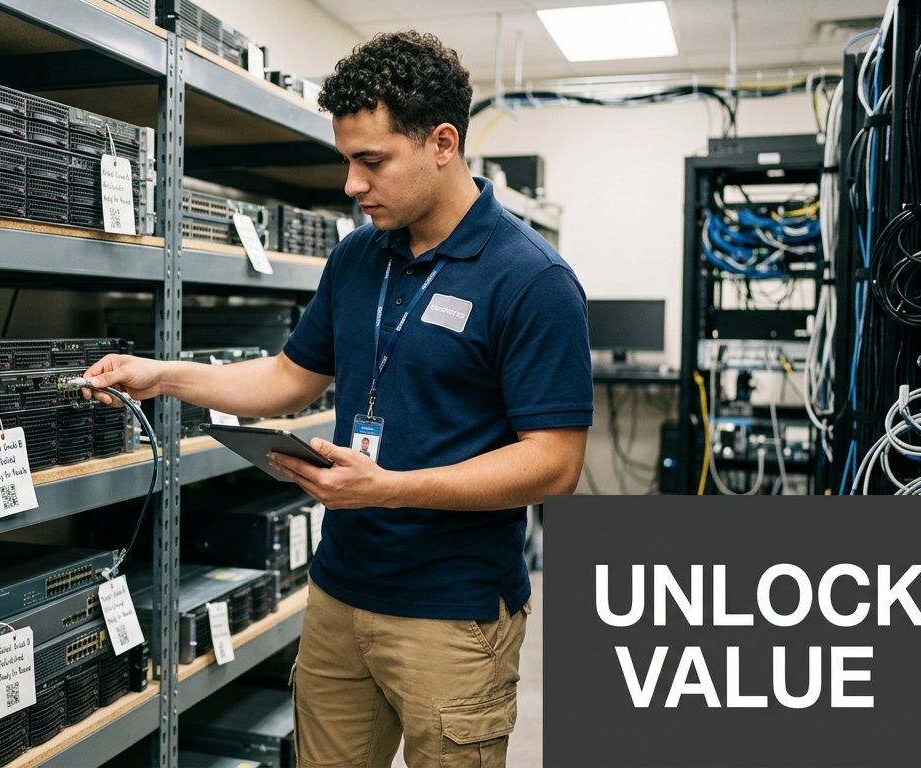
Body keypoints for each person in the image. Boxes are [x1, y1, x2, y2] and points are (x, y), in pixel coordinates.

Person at [81, 30, 591, 767]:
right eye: (346, 159)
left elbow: (554, 464)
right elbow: (288, 379)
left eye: (371, 161)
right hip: (340, 594)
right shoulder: (357, 256)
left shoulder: (532, 278)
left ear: (442, 142)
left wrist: (387, 487)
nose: (352, 184)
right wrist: (162, 375)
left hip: (454, 613)